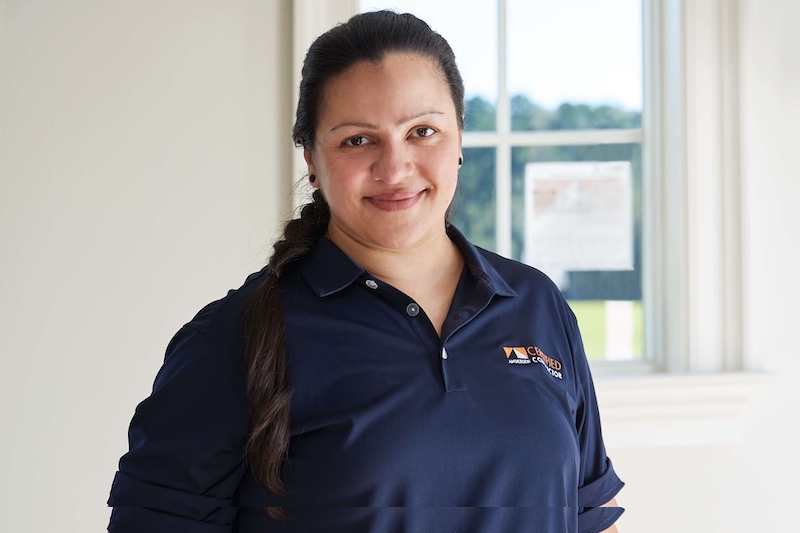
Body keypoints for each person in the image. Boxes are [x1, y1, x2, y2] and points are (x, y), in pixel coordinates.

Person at [107, 10, 623, 533]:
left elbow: (591, 517)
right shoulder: (236, 337)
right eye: (357, 139)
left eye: (423, 131)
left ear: (460, 138)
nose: (395, 168)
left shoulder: (536, 304)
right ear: (312, 157)